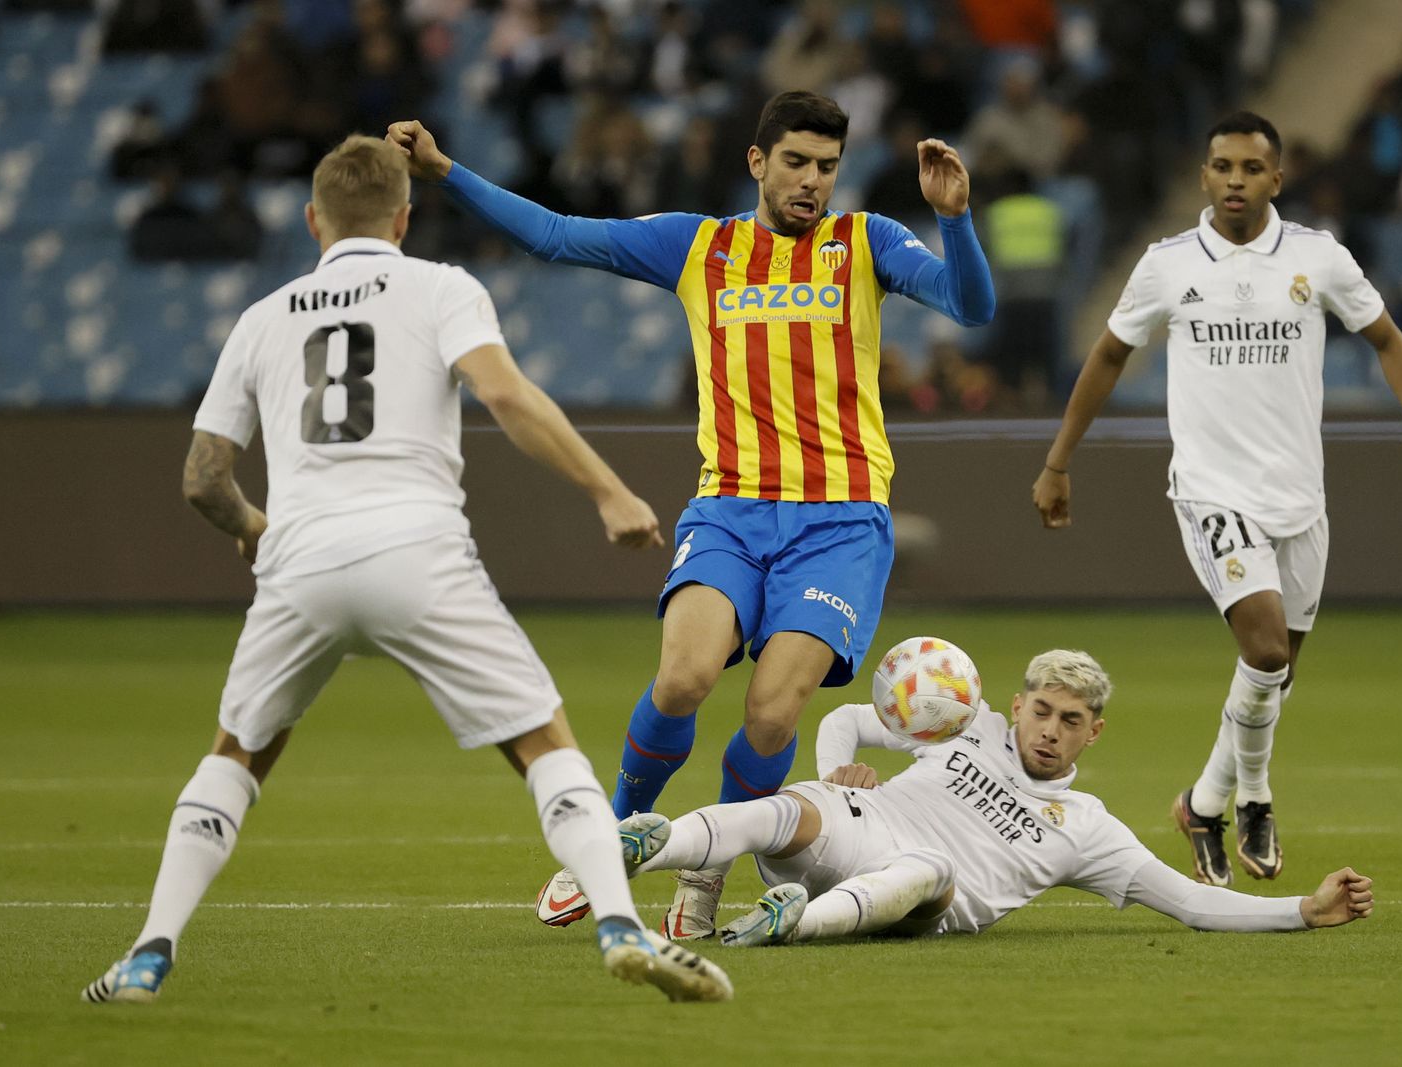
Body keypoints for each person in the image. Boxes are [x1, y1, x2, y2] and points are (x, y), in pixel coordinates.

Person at [80, 135, 731, 1005]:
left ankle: (149, 953)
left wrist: (249, 527)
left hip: (301, 558)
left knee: (235, 756)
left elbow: (202, 477)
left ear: (313, 221)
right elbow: (506, 396)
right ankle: (617, 923)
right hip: (419, 551)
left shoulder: (263, 316)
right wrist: (608, 491)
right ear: (405, 218)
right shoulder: (439, 286)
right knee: (543, 743)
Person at [387, 90, 994, 940]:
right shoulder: (697, 245)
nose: (811, 181)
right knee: (682, 680)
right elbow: (559, 235)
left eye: (826, 166)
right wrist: (446, 172)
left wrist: (955, 222)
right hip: (732, 509)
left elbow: (971, 308)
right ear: (757, 162)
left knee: (774, 712)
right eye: (795, 163)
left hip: (842, 519)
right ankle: (606, 842)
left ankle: (705, 871)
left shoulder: (867, 243)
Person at [1031, 112, 1402, 889]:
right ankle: (1254, 794)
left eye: (1251, 169)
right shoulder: (1166, 265)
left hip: (1299, 494)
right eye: (1222, 166)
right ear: (1204, 176)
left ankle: (1207, 799)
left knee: (1276, 675)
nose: (1235, 180)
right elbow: (1108, 356)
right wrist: (1059, 462)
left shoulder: (1317, 258)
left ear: (1276, 179)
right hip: (1211, 490)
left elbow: (1388, 338)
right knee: (1262, 650)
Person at [611, 646, 1374, 945]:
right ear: (1015, 706)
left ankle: (792, 925)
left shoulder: (1087, 826)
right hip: (857, 824)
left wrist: (1302, 909)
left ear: (1093, 734)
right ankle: (646, 845)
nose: (1049, 730)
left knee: (931, 870)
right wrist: (839, 765)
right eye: (1040, 711)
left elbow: (1190, 901)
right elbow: (844, 716)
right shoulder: (962, 724)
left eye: (1070, 721)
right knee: (788, 806)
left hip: (916, 900)